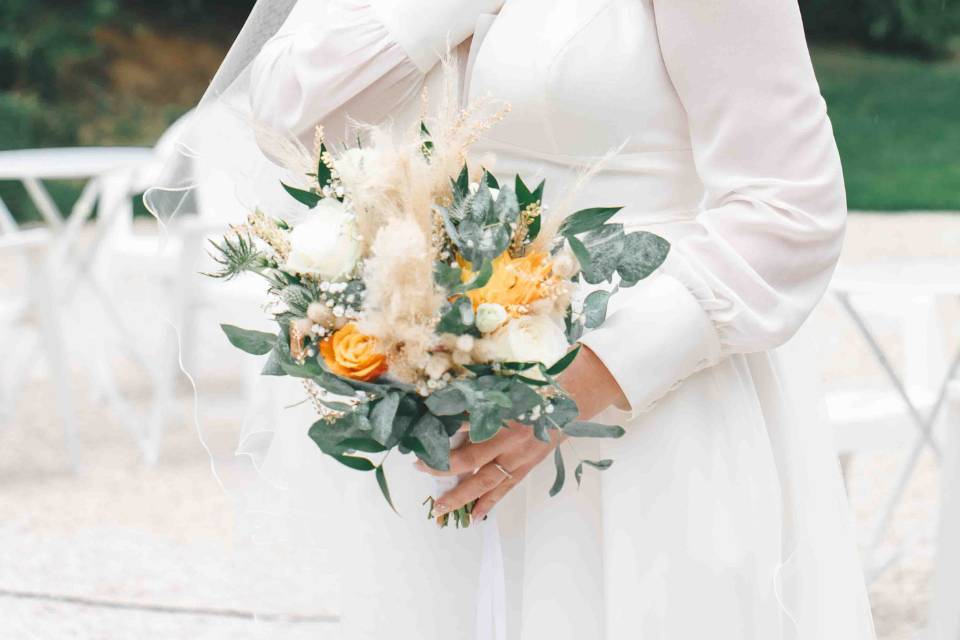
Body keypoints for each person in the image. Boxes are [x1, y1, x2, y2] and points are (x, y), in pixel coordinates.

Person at [154, 0, 878, 637]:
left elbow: (790, 211)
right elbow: (288, 113)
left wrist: (577, 388)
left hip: (648, 415)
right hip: (443, 413)